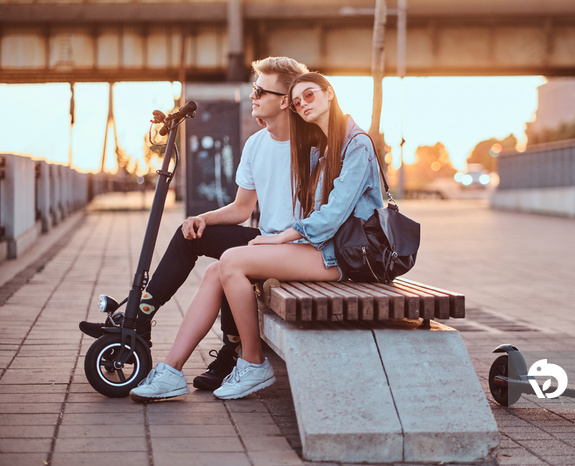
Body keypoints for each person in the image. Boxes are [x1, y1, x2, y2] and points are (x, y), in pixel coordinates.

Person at [129, 71, 384, 402]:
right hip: (312, 248)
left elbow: (332, 217)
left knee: (232, 261)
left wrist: (277, 239)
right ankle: (172, 370)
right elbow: (249, 206)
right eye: (297, 101)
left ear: (329, 93)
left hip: (339, 256)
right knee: (215, 270)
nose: (303, 104)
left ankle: (251, 361)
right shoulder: (320, 143)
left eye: (309, 96)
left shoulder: (355, 143)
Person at [79, 56, 309, 390]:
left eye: (260, 90)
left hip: (297, 247)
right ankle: (143, 317)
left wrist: (278, 240)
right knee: (190, 234)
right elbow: (243, 207)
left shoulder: (312, 146)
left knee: (225, 267)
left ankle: (233, 353)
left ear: (285, 101)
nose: (252, 96)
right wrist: (201, 218)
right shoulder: (256, 144)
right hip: (265, 240)